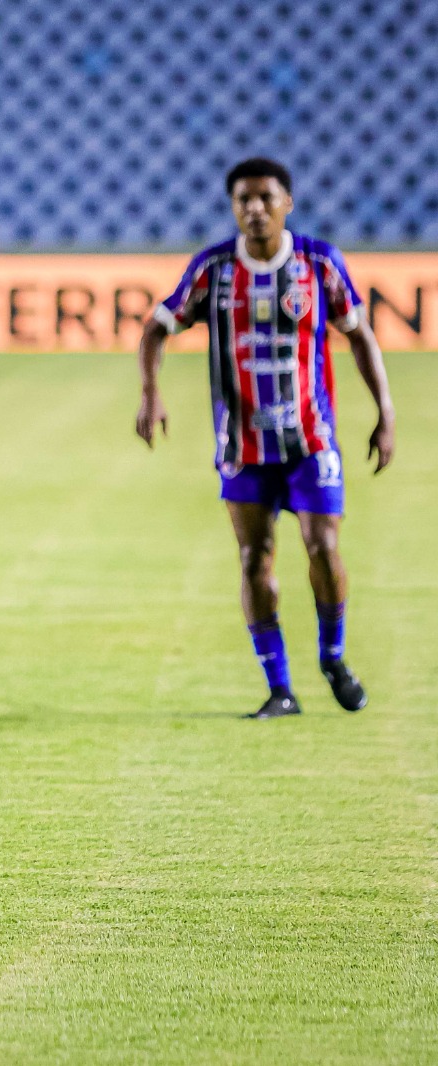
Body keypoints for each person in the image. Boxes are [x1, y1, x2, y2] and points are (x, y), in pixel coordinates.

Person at [136, 157, 396, 720]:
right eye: (243, 200)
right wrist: (151, 393)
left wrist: (385, 410)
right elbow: (157, 325)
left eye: (265, 198)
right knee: (255, 558)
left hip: (311, 439)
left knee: (323, 546)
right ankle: (280, 688)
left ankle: (333, 658)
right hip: (242, 447)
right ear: (234, 208)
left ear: (288, 203)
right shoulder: (214, 269)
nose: (254, 209)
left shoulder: (317, 263)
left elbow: (358, 335)